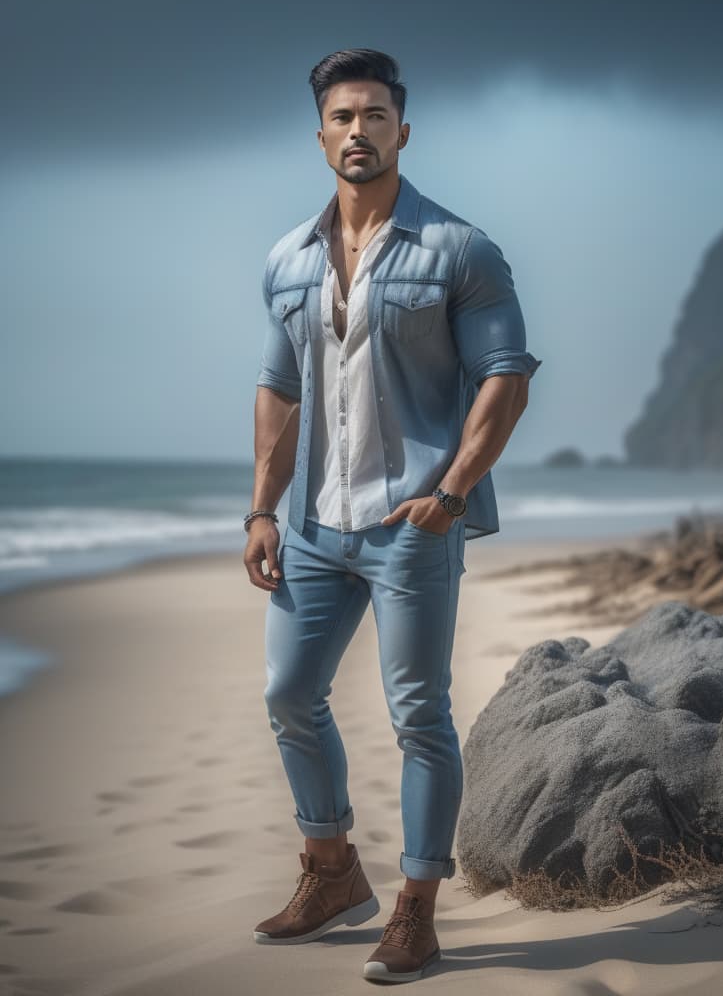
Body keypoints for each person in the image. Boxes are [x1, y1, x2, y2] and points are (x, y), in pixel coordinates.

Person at [245, 48, 542, 983]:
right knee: (289, 695)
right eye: (342, 117)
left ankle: (416, 910)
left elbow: (506, 378)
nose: (358, 131)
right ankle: (332, 871)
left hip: (414, 521)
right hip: (314, 527)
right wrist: (261, 510)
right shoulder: (287, 258)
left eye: (375, 115)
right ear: (322, 134)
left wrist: (451, 491)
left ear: (401, 131)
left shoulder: (460, 247)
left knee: (420, 717)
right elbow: (279, 390)